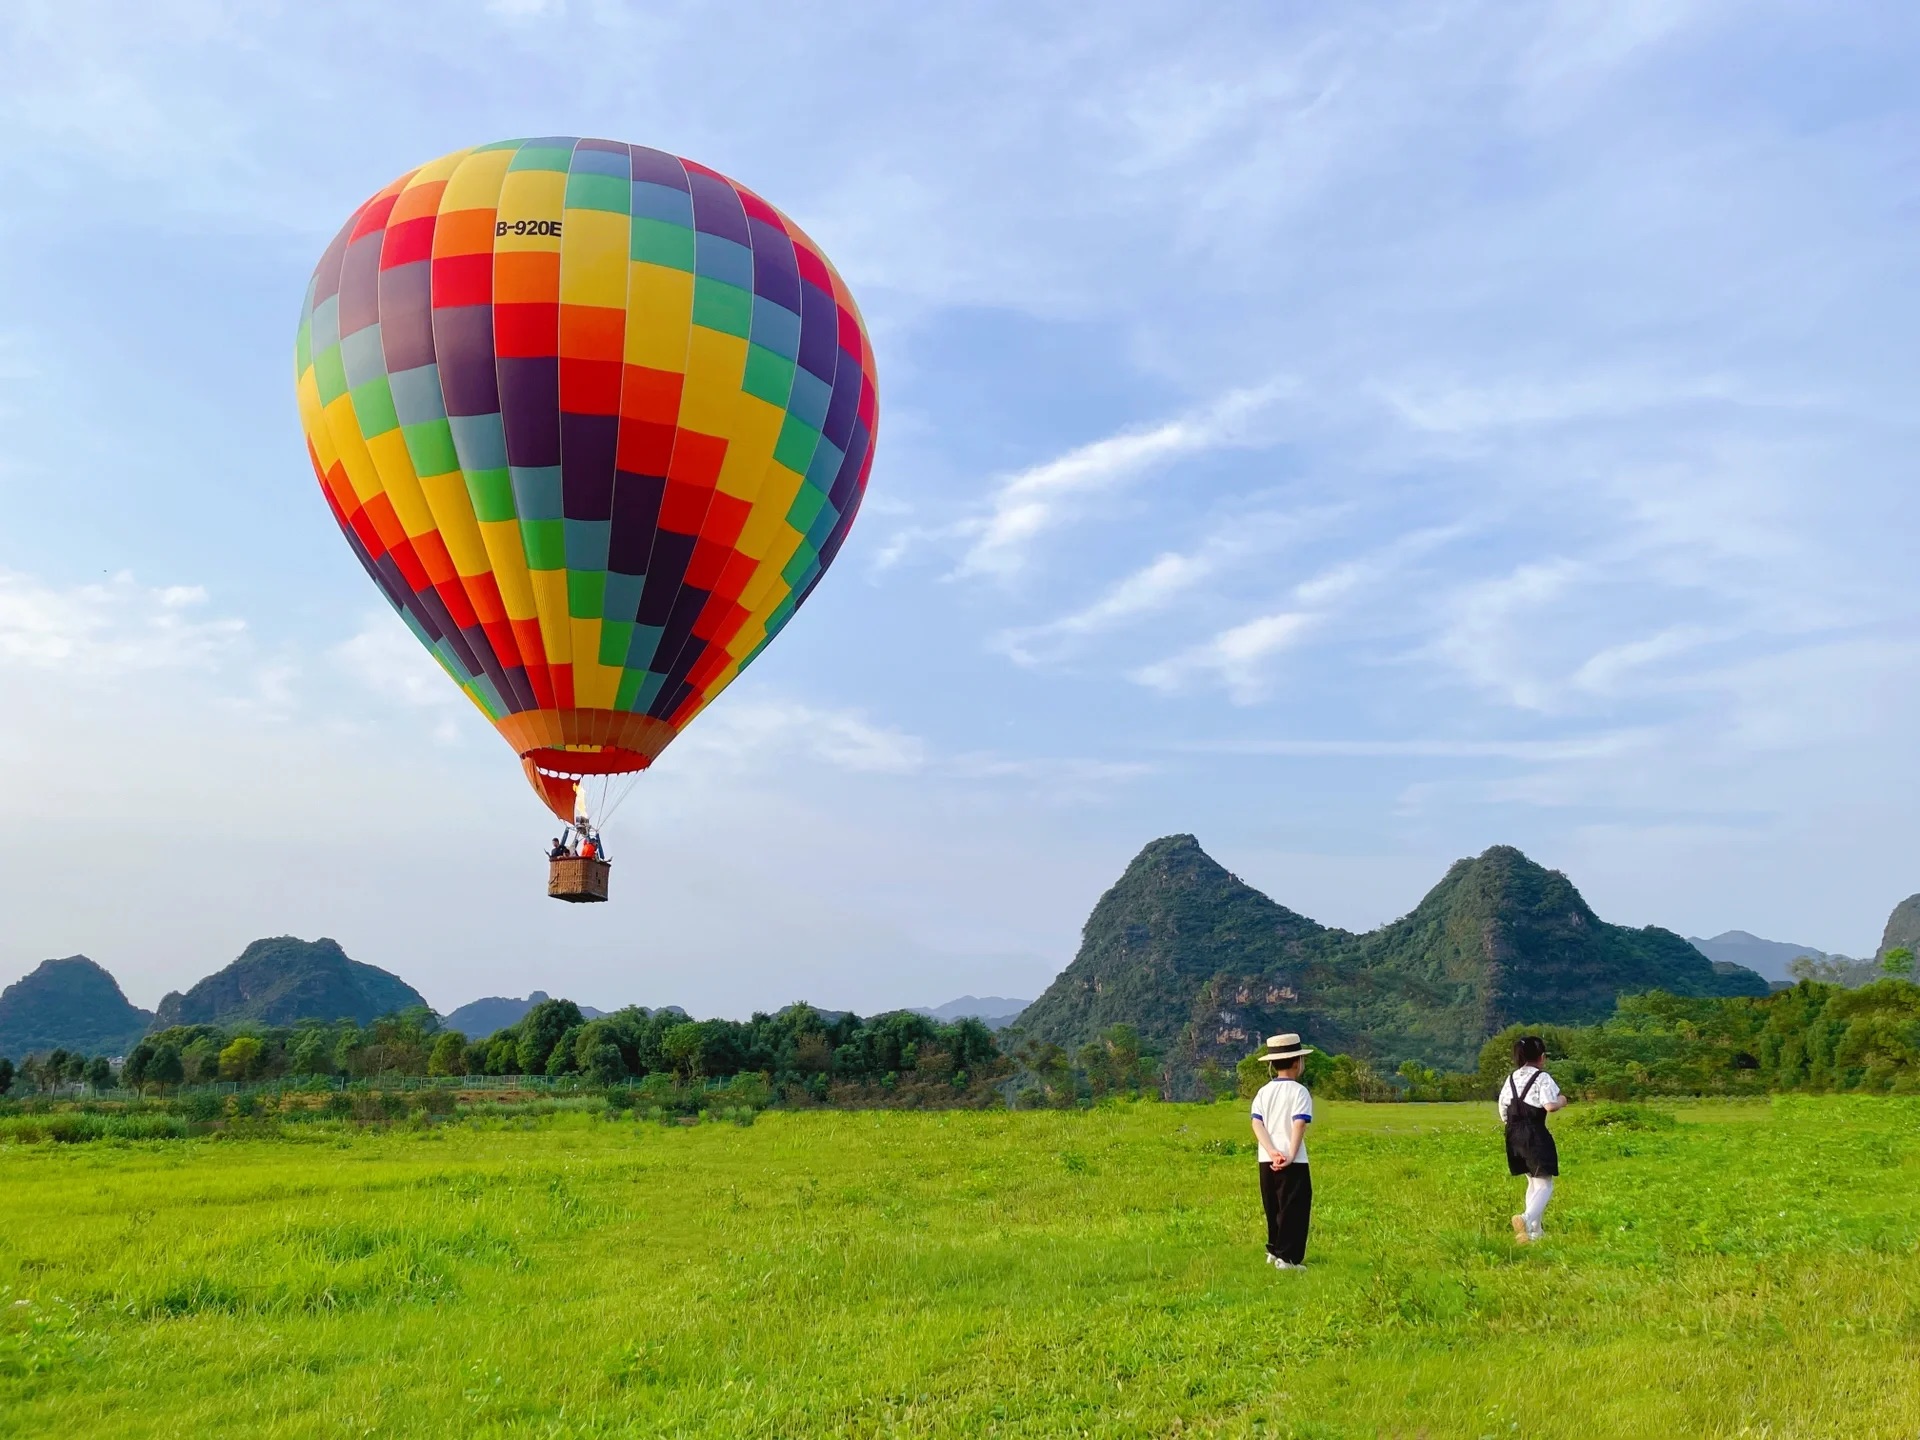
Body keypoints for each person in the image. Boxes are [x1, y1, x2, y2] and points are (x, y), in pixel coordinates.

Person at [1249, 1033, 1316, 1271]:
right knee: (1294, 1208)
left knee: (1273, 1206)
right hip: (1293, 1160)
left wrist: (1271, 1150)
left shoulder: (1263, 1092)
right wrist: (1289, 1154)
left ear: (1272, 1064)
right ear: (1298, 1062)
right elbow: (1299, 1123)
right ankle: (1288, 1259)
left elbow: (1257, 1123)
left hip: (1266, 1159)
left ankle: (1274, 1249)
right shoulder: (1299, 1092)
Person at [1499, 1035, 1568, 1243]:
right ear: (1542, 1057)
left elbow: (1503, 1111)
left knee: (1532, 1182)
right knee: (1545, 1184)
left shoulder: (1511, 1078)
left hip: (1512, 1134)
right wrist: (1563, 1101)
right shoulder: (1542, 1078)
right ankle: (1526, 1219)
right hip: (1534, 1134)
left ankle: (1533, 1234)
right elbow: (1550, 1105)